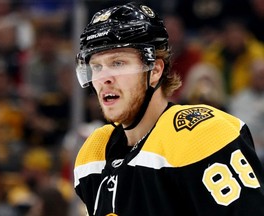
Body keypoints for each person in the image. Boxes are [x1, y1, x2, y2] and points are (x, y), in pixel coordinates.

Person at [73, 2, 264, 216]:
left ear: (154, 70)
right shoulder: (93, 154)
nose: (103, 78)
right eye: (96, 67)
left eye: (118, 63)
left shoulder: (202, 135)